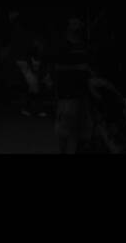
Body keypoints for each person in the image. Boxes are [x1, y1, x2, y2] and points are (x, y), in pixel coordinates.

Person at [53, 18, 92, 153]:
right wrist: (78, 67)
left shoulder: (83, 45)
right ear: (68, 26)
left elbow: (87, 64)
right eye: (74, 22)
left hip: (83, 90)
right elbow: (57, 66)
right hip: (67, 91)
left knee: (81, 126)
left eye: (79, 22)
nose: (78, 25)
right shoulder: (62, 45)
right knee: (65, 125)